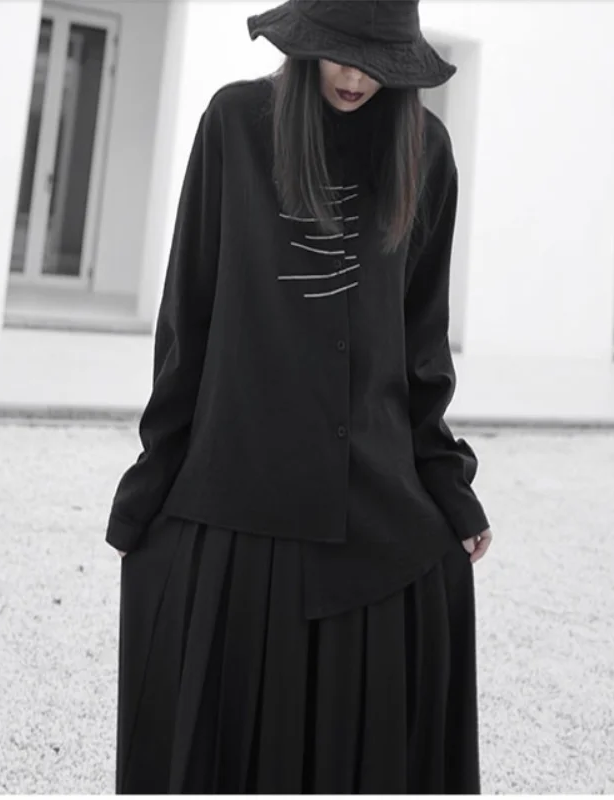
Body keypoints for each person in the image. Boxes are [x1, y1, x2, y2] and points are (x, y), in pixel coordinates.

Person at [106, 0, 494, 792]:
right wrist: (154, 475)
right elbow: (188, 315)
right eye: (339, 53)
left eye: (375, 59)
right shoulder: (235, 124)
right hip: (241, 487)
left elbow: (422, 339)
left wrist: (446, 481)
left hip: (374, 494)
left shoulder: (427, 152)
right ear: (305, 44)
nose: (355, 75)